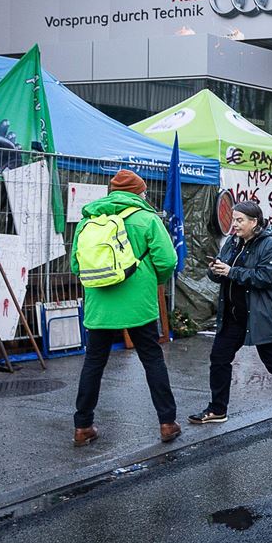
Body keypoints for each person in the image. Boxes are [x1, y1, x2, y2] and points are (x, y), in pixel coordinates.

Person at [70, 169, 180, 446]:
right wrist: (154, 281)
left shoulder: (87, 222)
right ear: (138, 193)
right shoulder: (147, 219)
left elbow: (75, 265)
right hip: (138, 303)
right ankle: (167, 423)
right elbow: (168, 260)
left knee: (94, 362)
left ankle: (83, 426)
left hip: (100, 304)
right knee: (152, 359)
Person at [193, 201, 272, 430]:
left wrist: (231, 271)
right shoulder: (232, 242)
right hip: (233, 315)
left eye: (240, 220)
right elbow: (223, 273)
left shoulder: (270, 245)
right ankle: (217, 409)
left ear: (254, 222)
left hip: (260, 316)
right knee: (219, 358)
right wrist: (215, 270)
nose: (235, 224)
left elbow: (265, 277)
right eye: (234, 219)